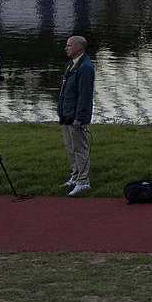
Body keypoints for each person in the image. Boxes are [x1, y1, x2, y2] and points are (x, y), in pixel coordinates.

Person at [58, 34, 94, 196]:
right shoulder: (71, 64)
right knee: (70, 147)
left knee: (79, 148)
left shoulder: (85, 67)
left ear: (79, 48)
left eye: (69, 46)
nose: (66, 48)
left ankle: (83, 181)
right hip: (66, 113)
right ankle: (75, 176)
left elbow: (84, 95)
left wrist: (79, 117)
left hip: (76, 116)